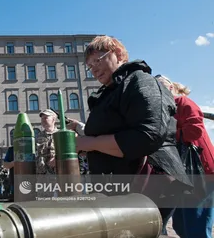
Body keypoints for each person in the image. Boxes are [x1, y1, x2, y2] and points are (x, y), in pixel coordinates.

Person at [66, 35, 193, 225]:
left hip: (148, 184)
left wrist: (90, 143)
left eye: (97, 60)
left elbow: (147, 136)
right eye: (90, 66)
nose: (93, 69)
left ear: (117, 54)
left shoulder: (141, 81)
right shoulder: (110, 92)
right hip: (122, 186)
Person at [156, 75, 214, 238]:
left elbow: (195, 129)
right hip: (182, 176)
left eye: (161, 87)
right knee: (181, 226)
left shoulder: (182, 102)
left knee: (196, 227)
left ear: (171, 88)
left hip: (201, 173)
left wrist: (166, 135)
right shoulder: (163, 111)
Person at [36, 109, 59, 175]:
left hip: (57, 173)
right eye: (42, 118)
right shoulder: (38, 136)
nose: (43, 120)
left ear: (53, 119)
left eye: (46, 118)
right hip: (42, 174)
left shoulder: (60, 134)